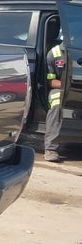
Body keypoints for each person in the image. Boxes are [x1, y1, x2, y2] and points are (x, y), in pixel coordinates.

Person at [44, 32, 66, 162]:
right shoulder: (54, 53)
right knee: (57, 102)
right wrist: (68, 85)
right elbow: (50, 81)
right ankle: (51, 148)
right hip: (60, 89)